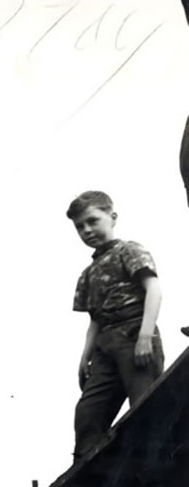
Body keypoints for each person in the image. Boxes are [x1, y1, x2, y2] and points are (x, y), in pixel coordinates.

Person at [66, 190, 164, 460]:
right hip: (104, 347)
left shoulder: (129, 250)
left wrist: (145, 336)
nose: (86, 230)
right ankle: (86, 475)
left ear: (112, 217)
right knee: (87, 414)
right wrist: (85, 357)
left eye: (92, 221)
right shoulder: (89, 273)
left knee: (145, 408)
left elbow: (153, 290)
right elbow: (95, 320)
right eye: (79, 227)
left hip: (134, 334)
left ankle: (149, 471)